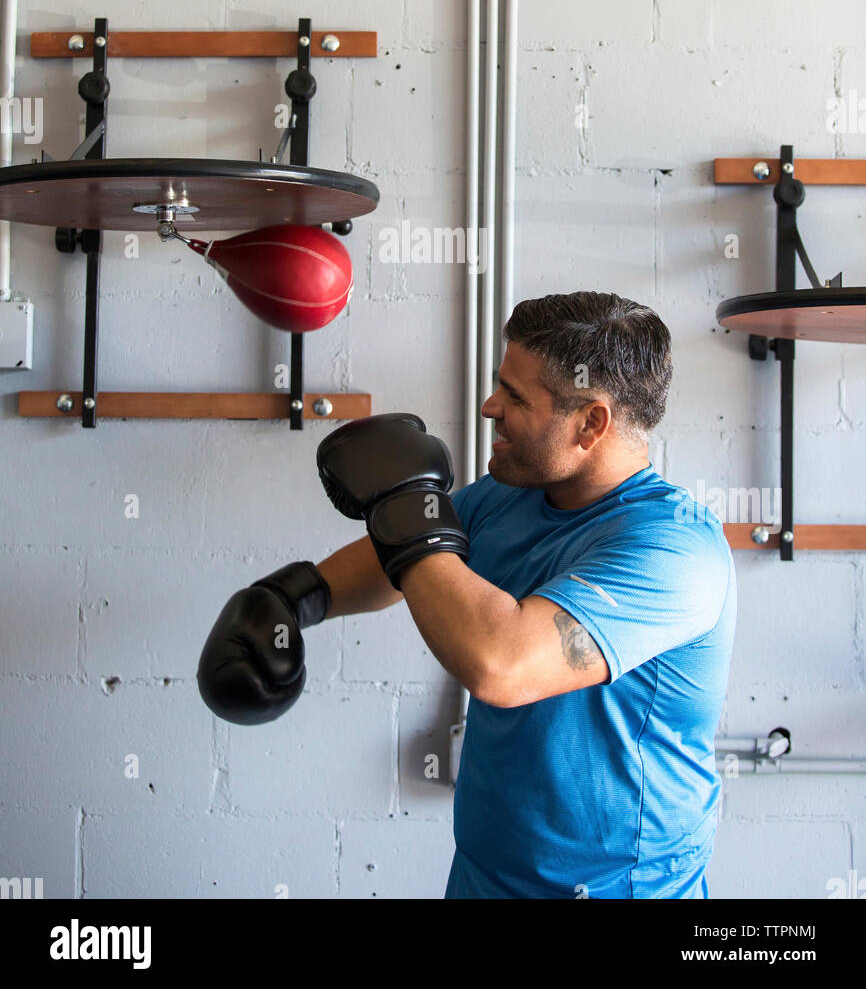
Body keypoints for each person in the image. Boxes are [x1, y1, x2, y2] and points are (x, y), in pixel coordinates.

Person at [197, 291, 736, 900]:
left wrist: (403, 507)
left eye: (515, 397)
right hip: (488, 874)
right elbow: (400, 562)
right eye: (498, 386)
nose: (490, 407)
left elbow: (500, 663)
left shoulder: (673, 551)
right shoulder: (508, 496)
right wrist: (290, 598)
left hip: (617, 890)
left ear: (591, 422)